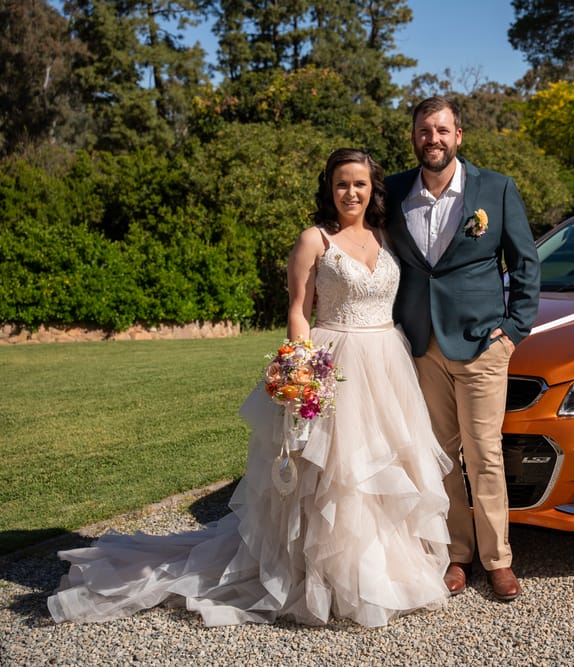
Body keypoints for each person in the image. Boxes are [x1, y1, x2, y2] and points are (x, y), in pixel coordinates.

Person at [47, 148, 453, 628]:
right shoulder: (314, 239)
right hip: (334, 361)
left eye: (360, 184)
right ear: (329, 187)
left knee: (384, 468)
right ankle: (322, 575)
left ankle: (383, 570)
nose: (351, 192)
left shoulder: (387, 236)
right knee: (334, 475)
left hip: (387, 362)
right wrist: (302, 371)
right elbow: (299, 310)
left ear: (373, 189)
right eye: (342, 183)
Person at [384, 97, 541, 601]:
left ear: (459, 136)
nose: (433, 138)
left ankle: (498, 560)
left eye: (442, 130)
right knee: (440, 458)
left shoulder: (494, 189)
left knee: (485, 456)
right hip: (420, 345)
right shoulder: (391, 192)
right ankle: (458, 555)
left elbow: (526, 262)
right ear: (414, 137)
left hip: (480, 345)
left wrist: (515, 328)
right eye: (424, 130)